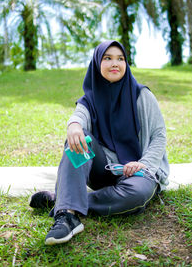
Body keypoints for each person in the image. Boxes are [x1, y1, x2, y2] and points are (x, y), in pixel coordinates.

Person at [29, 40, 169, 245]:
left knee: (136, 195)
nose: (115, 63)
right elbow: (79, 117)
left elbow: (159, 135)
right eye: (108, 58)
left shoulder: (142, 95)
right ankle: (67, 216)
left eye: (120, 59)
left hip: (139, 173)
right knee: (80, 139)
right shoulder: (89, 99)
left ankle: (63, 200)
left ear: (126, 64)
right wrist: (73, 126)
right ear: (97, 63)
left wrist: (144, 163)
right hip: (103, 171)